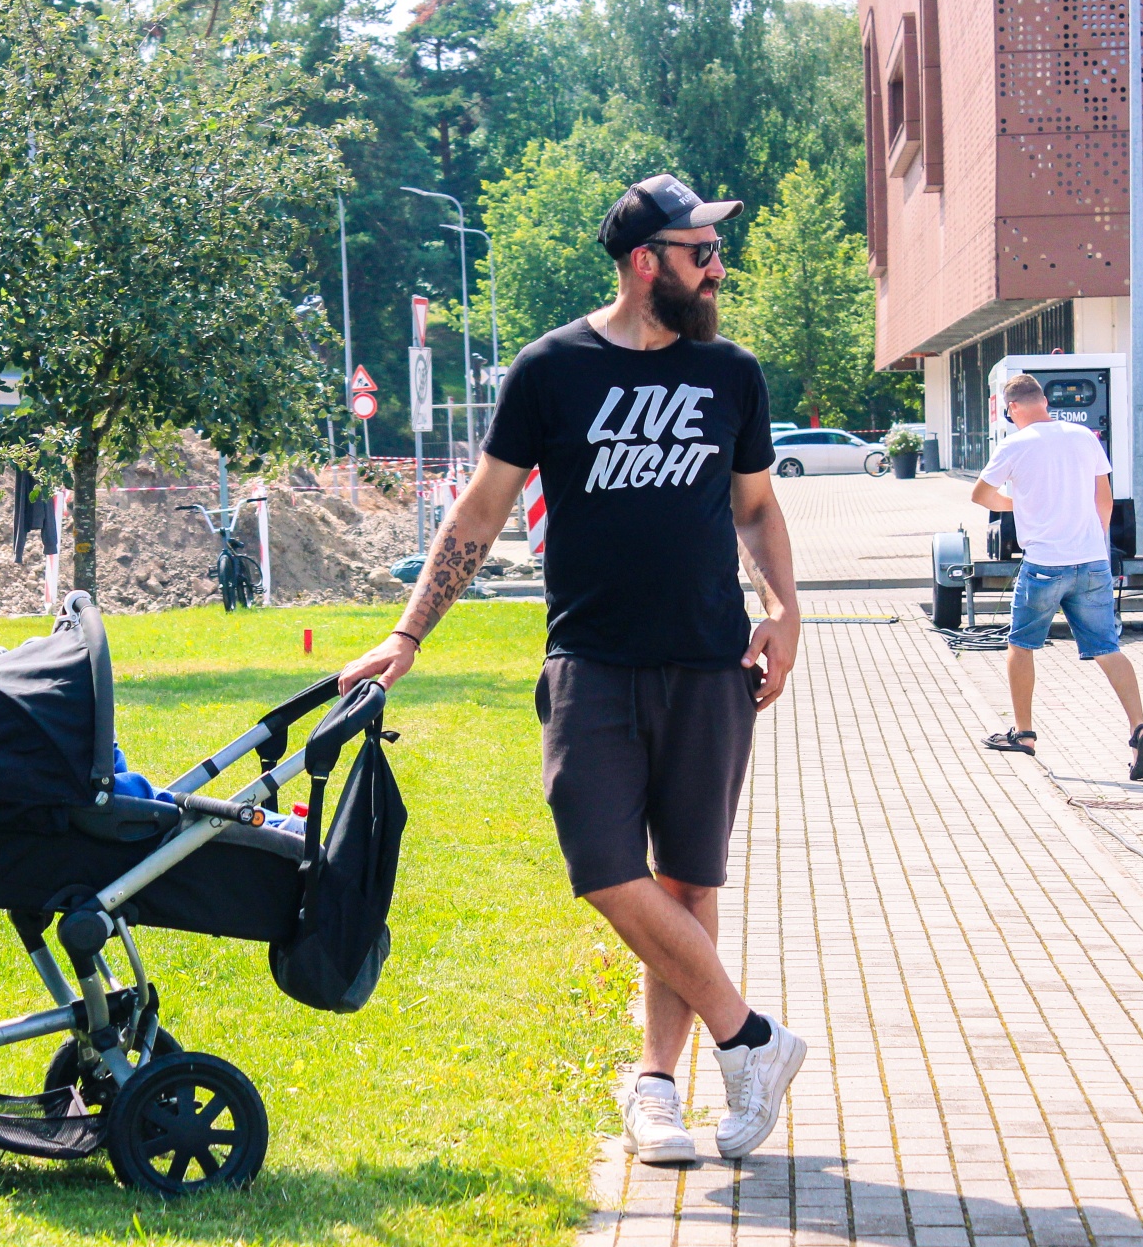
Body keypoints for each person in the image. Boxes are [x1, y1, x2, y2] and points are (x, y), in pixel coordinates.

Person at [337, 173, 803, 1166]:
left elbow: (756, 507)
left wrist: (784, 609)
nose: (717, 268)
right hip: (590, 661)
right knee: (603, 868)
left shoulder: (731, 374)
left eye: (715, 252)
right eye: (700, 253)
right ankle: (752, 1038)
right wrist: (407, 635)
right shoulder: (551, 370)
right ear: (645, 263)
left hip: (708, 661)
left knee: (688, 881)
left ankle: (659, 1088)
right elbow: (479, 512)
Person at [973, 372, 1143, 780]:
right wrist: (1095, 542)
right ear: (1044, 400)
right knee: (1107, 647)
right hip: (1092, 559)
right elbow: (1104, 499)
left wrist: (1021, 503)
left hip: (1044, 563)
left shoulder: (1014, 444)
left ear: (1012, 408)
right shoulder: (1084, 437)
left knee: (1021, 645)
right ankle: (1139, 729)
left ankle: (1024, 734)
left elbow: (981, 495)